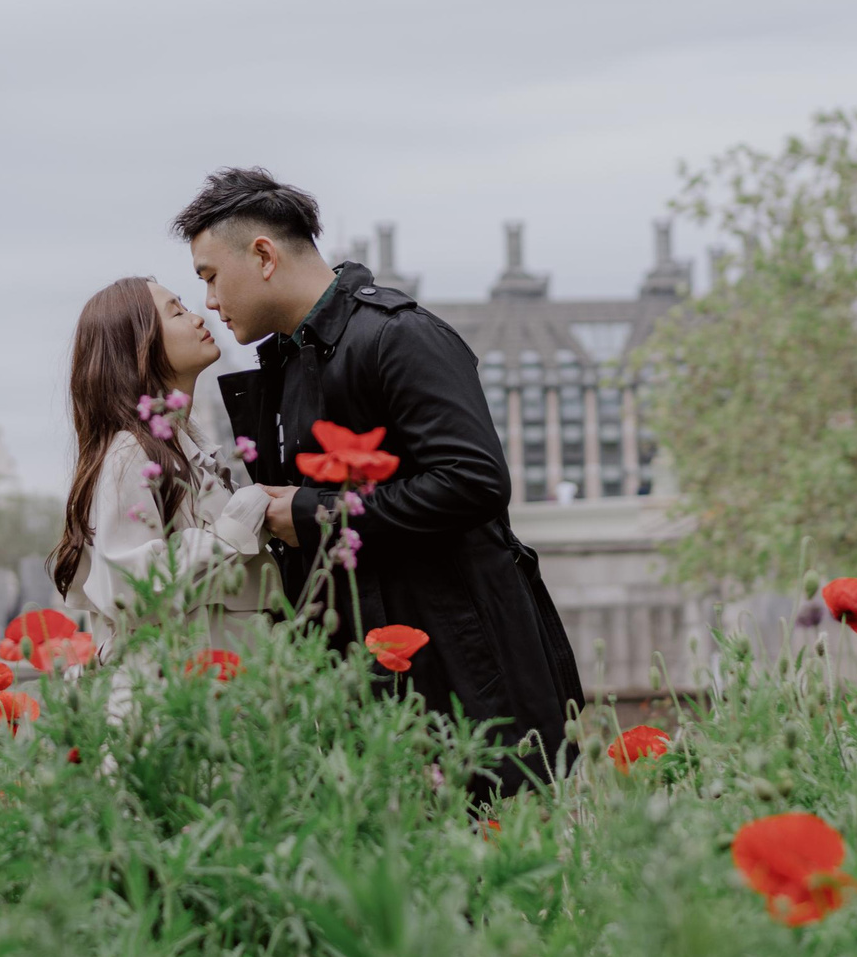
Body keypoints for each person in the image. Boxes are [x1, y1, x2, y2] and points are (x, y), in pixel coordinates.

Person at [177, 167, 585, 789]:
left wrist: (312, 513)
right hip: (373, 684)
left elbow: (473, 479)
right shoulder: (292, 361)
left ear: (262, 255)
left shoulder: (398, 335)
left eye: (209, 276)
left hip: (461, 678)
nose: (208, 299)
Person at [54, 277, 276, 649]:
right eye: (177, 312)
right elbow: (126, 587)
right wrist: (239, 525)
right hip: (180, 695)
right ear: (140, 347)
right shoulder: (130, 453)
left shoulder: (185, 449)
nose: (198, 318)